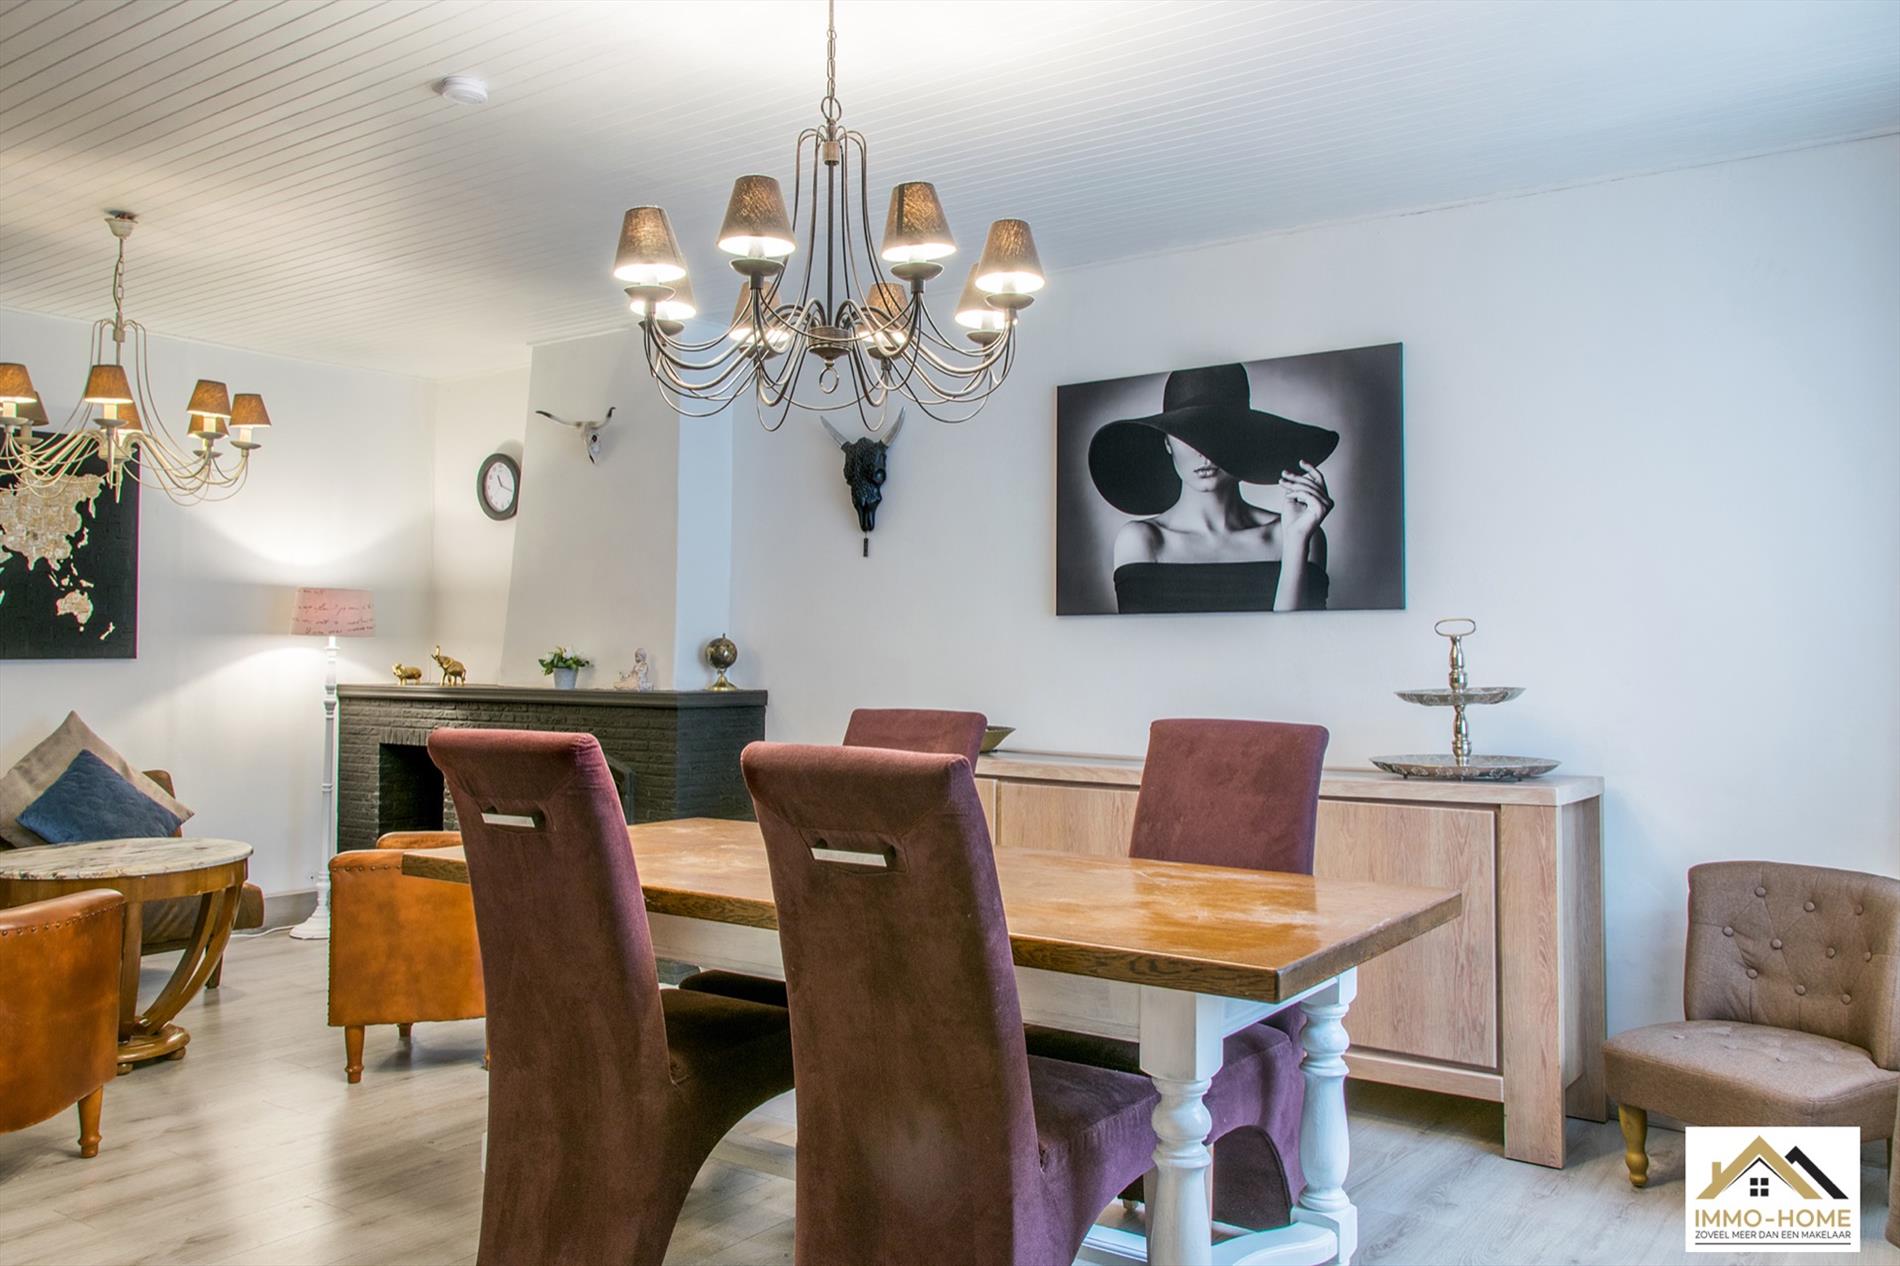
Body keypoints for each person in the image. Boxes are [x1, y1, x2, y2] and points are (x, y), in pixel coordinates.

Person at [1087, 363, 1339, 614]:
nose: (1203, 453)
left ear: (1244, 438)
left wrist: (1296, 544)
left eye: (1218, 432)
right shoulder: (1143, 541)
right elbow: (1136, 641)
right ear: (1167, 443)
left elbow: (1300, 639)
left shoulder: (1296, 535)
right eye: (1186, 434)